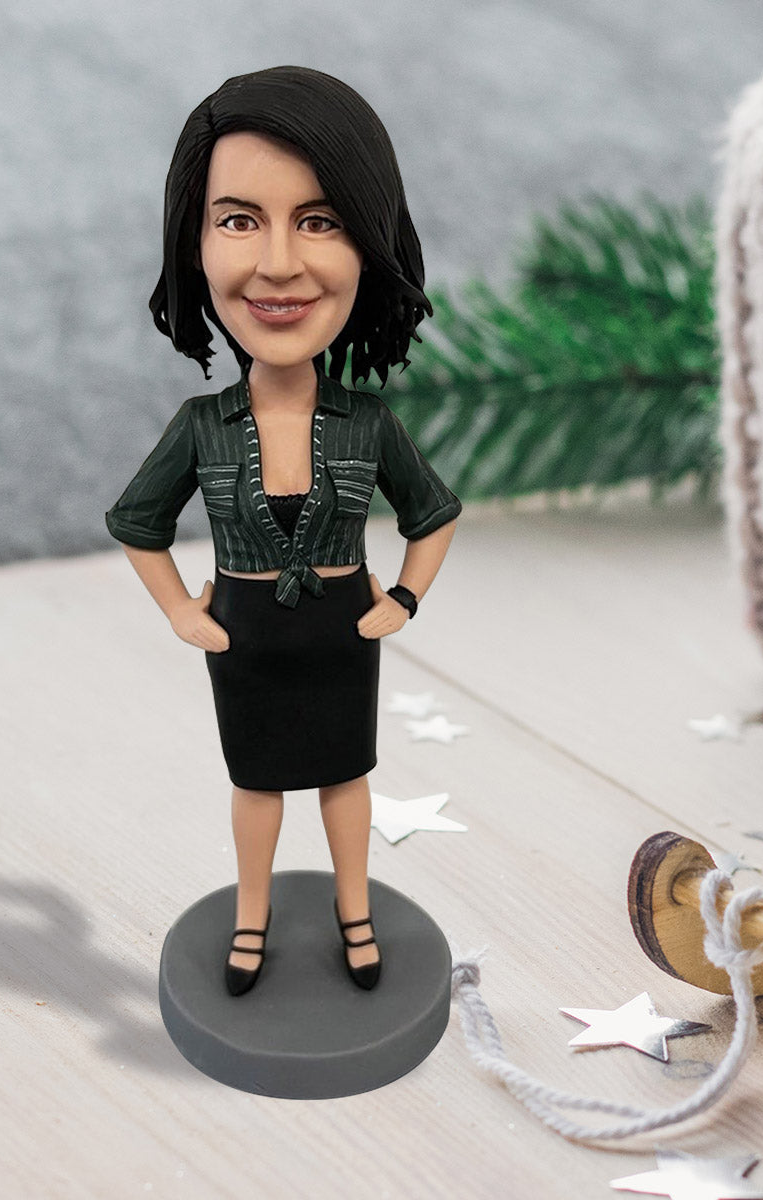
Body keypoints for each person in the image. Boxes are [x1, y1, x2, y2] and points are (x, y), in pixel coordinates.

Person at [106, 66, 459, 996]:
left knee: (347, 780)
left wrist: (405, 598)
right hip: (248, 635)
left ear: (370, 242)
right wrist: (181, 610)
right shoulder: (202, 426)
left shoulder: (368, 423)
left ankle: (357, 914)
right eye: (237, 220)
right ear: (193, 241)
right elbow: (137, 522)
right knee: (256, 785)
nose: (277, 263)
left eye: (320, 220)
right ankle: (251, 918)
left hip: (344, 628)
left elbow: (433, 515)